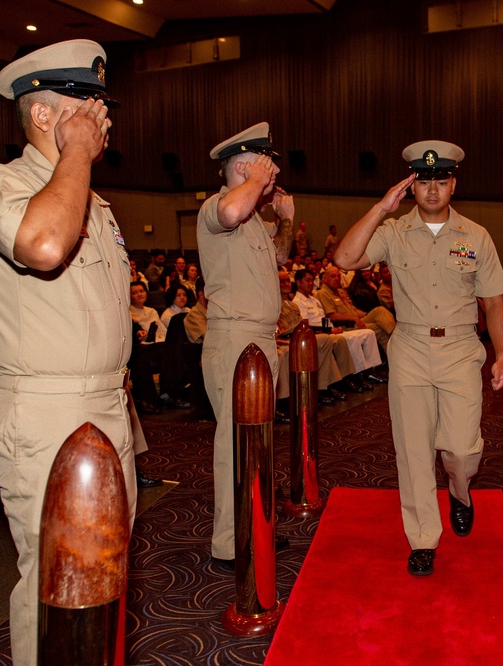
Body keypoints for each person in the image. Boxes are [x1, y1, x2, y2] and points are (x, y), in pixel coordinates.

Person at [0, 40, 137, 666]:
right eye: (88, 102)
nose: (103, 116)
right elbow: (41, 245)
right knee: (56, 585)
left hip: (105, 405)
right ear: (43, 115)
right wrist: (79, 154)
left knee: (106, 572)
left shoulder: (94, 200)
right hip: (44, 413)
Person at [334, 140, 503, 576]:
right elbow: (345, 257)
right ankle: (423, 539)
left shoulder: (476, 236)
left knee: (462, 448)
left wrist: (502, 355)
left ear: (454, 184)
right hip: (411, 347)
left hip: (460, 349)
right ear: (412, 187)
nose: (433, 189)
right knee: (412, 450)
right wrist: (381, 208)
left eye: (441, 180)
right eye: (425, 181)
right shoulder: (394, 232)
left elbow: (494, 301)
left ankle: (459, 488)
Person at [197, 121, 294, 565]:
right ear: (242, 164)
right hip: (235, 338)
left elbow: (282, 256)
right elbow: (230, 213)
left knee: (256, 445)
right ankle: (229, 543)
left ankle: (253, 527)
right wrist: (256, 181)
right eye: (266, 164)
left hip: (260, 340)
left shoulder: (254, 217)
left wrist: (286, 222)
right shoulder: (217, 208)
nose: (273, 174)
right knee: (234, 446)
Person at [293, 267, 384, 387]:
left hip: (330, 330)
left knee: (368, 333)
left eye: (311, 280)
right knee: (352, 339)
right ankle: (358, 375)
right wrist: (330, 330)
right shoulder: (298, 301)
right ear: (298, 283)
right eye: (307, 281)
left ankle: (371, 370)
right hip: (320, 333)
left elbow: (324, 318)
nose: (310, 283)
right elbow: (306, 325)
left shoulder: (314, 300)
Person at [316, 265, 396, 353]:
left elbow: (354, 310)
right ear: (325, 278)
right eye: (333, 276)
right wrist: (355, 319)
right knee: (378, 328)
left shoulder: (339, 291)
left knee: (379, 311)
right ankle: (395, 354)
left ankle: (397, 335)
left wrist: (369, 316)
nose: (337, 278)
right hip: (346, 326)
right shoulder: (323, 293)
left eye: (338, 276)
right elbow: (331, 316)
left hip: (356, 320)